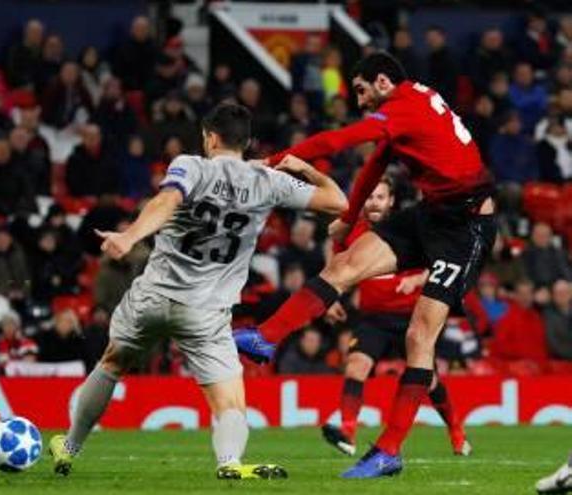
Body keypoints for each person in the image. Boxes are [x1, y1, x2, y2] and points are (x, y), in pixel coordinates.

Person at [47, 102, 347, 480]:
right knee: (230, 399)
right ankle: (230, 464)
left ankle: (70, 447)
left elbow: (166, 201)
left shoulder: (191, 166)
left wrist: (130, 236)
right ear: (247, 142)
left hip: (153, 296)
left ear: (211, 137)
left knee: (112, 363)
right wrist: (304, 168)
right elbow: (339, 202)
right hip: (205, 312)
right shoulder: (269, 181)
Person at [234, 51, 496, 478]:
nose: (359, 101)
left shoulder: (403, 107)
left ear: (381, 82)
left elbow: (336, 141)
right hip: (431, 214)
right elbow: (374, 164)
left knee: (419, 337)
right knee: (344, 266)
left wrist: (269, 163)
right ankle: (266, 338)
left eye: (360, 90)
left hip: (466, 229)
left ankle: (388, 451)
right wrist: (348, 219)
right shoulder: (409, 105)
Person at [314, 177, 469, 457]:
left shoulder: (409, 227)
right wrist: (331, 297)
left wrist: (420, 279)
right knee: (355, 366)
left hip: (412, 319)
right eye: (370, 196)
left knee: (429, 381)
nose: (374, 202)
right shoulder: (353, 232)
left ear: (391, 201)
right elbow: (337, 262)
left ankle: (456, 431)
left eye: (381, 197)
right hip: (373, 319)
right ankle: (348, 432)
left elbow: (444, 261)